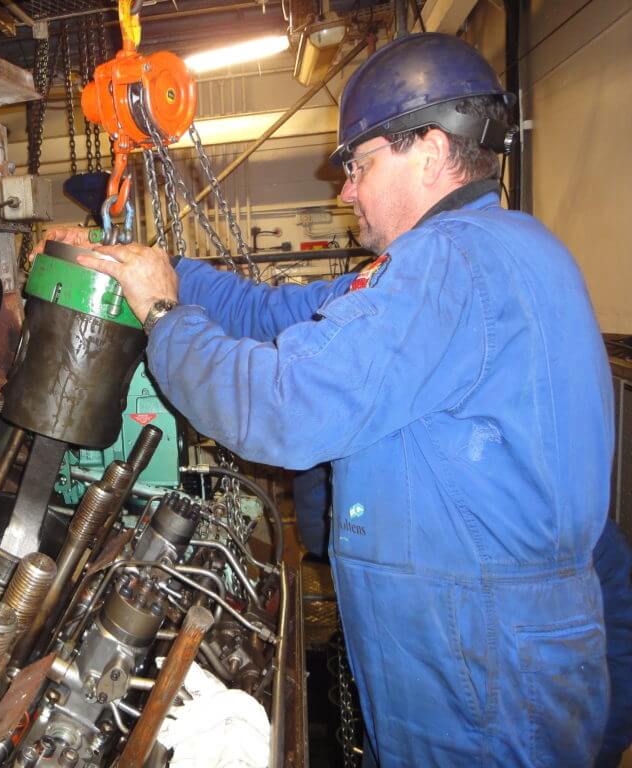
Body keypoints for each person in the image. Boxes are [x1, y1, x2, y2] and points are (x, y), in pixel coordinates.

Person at [40, 32, 615, 766]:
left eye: (360, 164)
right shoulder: (492, 252)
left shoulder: (451, 263)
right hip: (481, 646)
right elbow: (275, 315)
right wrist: (156, 269)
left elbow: (283, 408)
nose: (345, 189)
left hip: (476, 665)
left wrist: (162, 318)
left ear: (431, 151)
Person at [294, 461, 632, 766]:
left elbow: (621, 652)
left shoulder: (577, 531)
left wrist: (600, 753)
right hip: (410, 722)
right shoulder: (412, 498)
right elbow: (318, 531)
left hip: (522, 741)